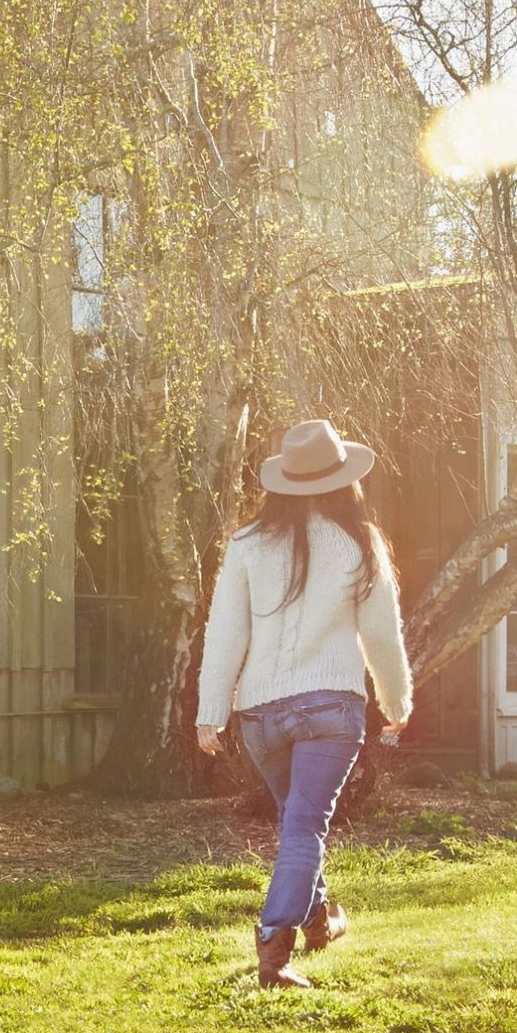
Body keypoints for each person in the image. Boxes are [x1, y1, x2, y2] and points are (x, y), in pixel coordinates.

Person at [195, 418, 412, 988]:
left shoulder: (245, 545)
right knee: (304, 826)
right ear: (344, 480)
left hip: (260, 715)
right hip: (330, 710)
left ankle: (319, 921)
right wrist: (396, 700)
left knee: (298, 820)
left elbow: (224, 634)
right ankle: (274, 950)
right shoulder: (361, 543)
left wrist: (211, 711)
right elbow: (382, 636)